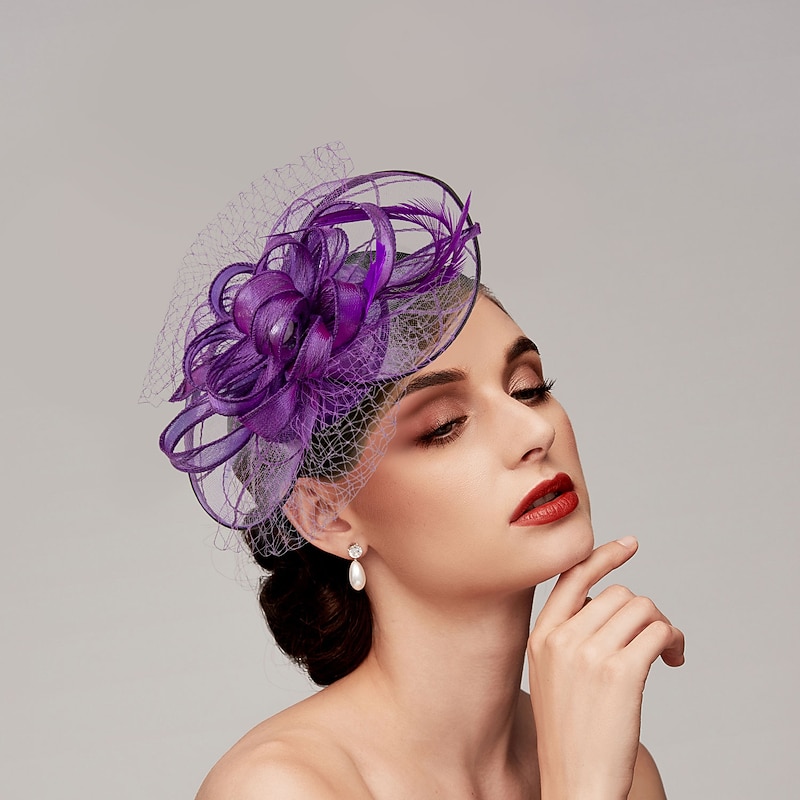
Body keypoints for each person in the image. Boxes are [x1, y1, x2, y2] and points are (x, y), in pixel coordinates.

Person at [149, 147, 684, 799]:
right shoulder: (279, 788)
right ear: (327, 515)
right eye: (444, 426)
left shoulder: (621, 765)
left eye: (529, 387)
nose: (535, 432)